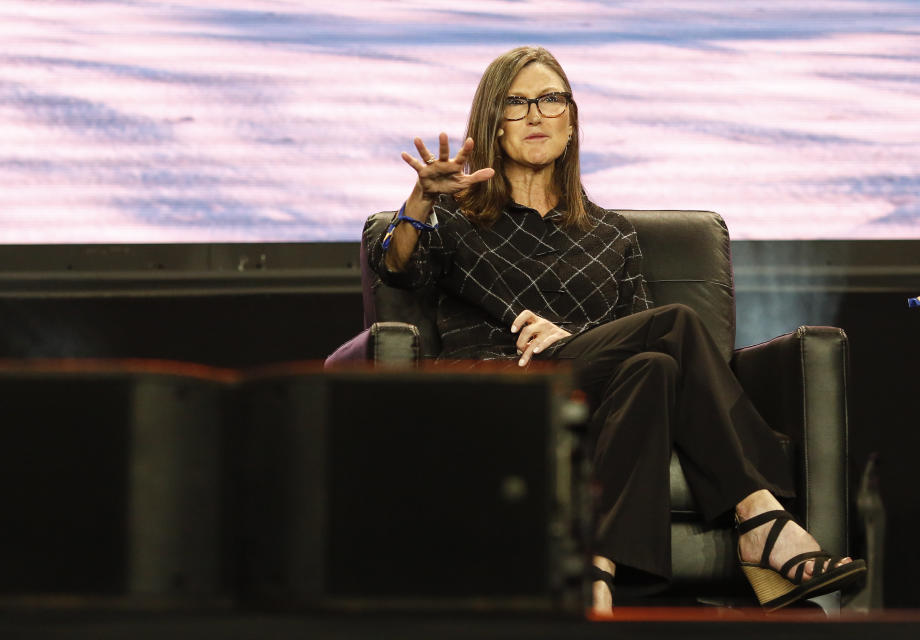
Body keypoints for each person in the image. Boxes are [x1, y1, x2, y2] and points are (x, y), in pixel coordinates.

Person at [368, 45, 865, 615]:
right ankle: (761, 516)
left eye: (551, 100)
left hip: (595, 394)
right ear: (491, 123)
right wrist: (420, 201)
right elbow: (396, 266)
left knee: (654, 366)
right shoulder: (454, 218)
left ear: (572, 123)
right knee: (674, 327)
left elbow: (635, 338)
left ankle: (597, 578)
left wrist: (569, 335)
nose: (536, 115)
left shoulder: (611, 235)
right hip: (503, 390)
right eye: (517, 102)